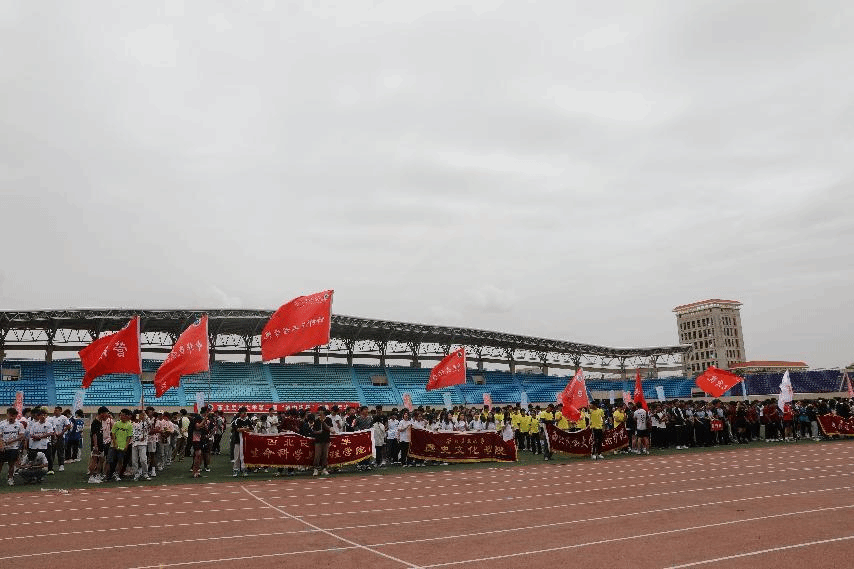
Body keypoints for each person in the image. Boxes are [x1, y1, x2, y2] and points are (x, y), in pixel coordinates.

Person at [106, 409, 133, 481]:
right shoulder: (117, 423)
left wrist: (126, 445)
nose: (122, 417)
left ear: (126, 416)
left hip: (122, 446)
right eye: (121, 415)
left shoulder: (129, 425)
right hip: (114, 446)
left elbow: (129, 436)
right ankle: (109, 474)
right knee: (111, 460)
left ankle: (117, 474)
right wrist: (115, 443)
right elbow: (113, 433)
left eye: (123, 415)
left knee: (120, 461)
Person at [1, 408, 26, 485]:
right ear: (7, 415)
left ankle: (10, 478)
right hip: (3, 447)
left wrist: (12, 441)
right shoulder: (2, 424)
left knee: (11, 464)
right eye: (10, 415)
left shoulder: (19, 424)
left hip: (13, 447)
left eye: (13, 416)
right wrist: (2, 444)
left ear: (16, 416)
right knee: (0, 463)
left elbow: (21, 436)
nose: (11, 417)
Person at [231, 407, 252, 477]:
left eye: (245, 412)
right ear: (240, 413)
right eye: (243, 412)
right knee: (237, 456)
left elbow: (251, 429)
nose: (245, 414)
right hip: (238, 441)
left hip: (246, 442)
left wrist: (245, 429)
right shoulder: (237, 420)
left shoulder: (248, 420)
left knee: (245, 456)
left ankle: (244, 470)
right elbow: (237, 429)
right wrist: (245, 429)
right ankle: (235, 470)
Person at [130, 410, 151, 481]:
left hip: (142, 443)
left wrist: (145, 416)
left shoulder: (144, 423)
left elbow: (150, 425)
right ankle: (136, 474)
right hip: (134, 443)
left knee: (143, 459)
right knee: (134, 460)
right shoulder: (131, 423)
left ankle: (145, 473)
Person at [312, 407, 332, 476]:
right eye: (319, 410)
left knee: (325, 455)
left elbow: (329, 428)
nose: (320, 412)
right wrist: (318, 432)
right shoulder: (316, 421)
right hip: (318, 440)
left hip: (326, 439)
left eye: (321, 410)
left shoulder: (328, 419)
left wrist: (323, 422)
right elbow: (313, 431)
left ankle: (324, 469)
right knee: (317, 455)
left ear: (324, 412)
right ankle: (316, 469)